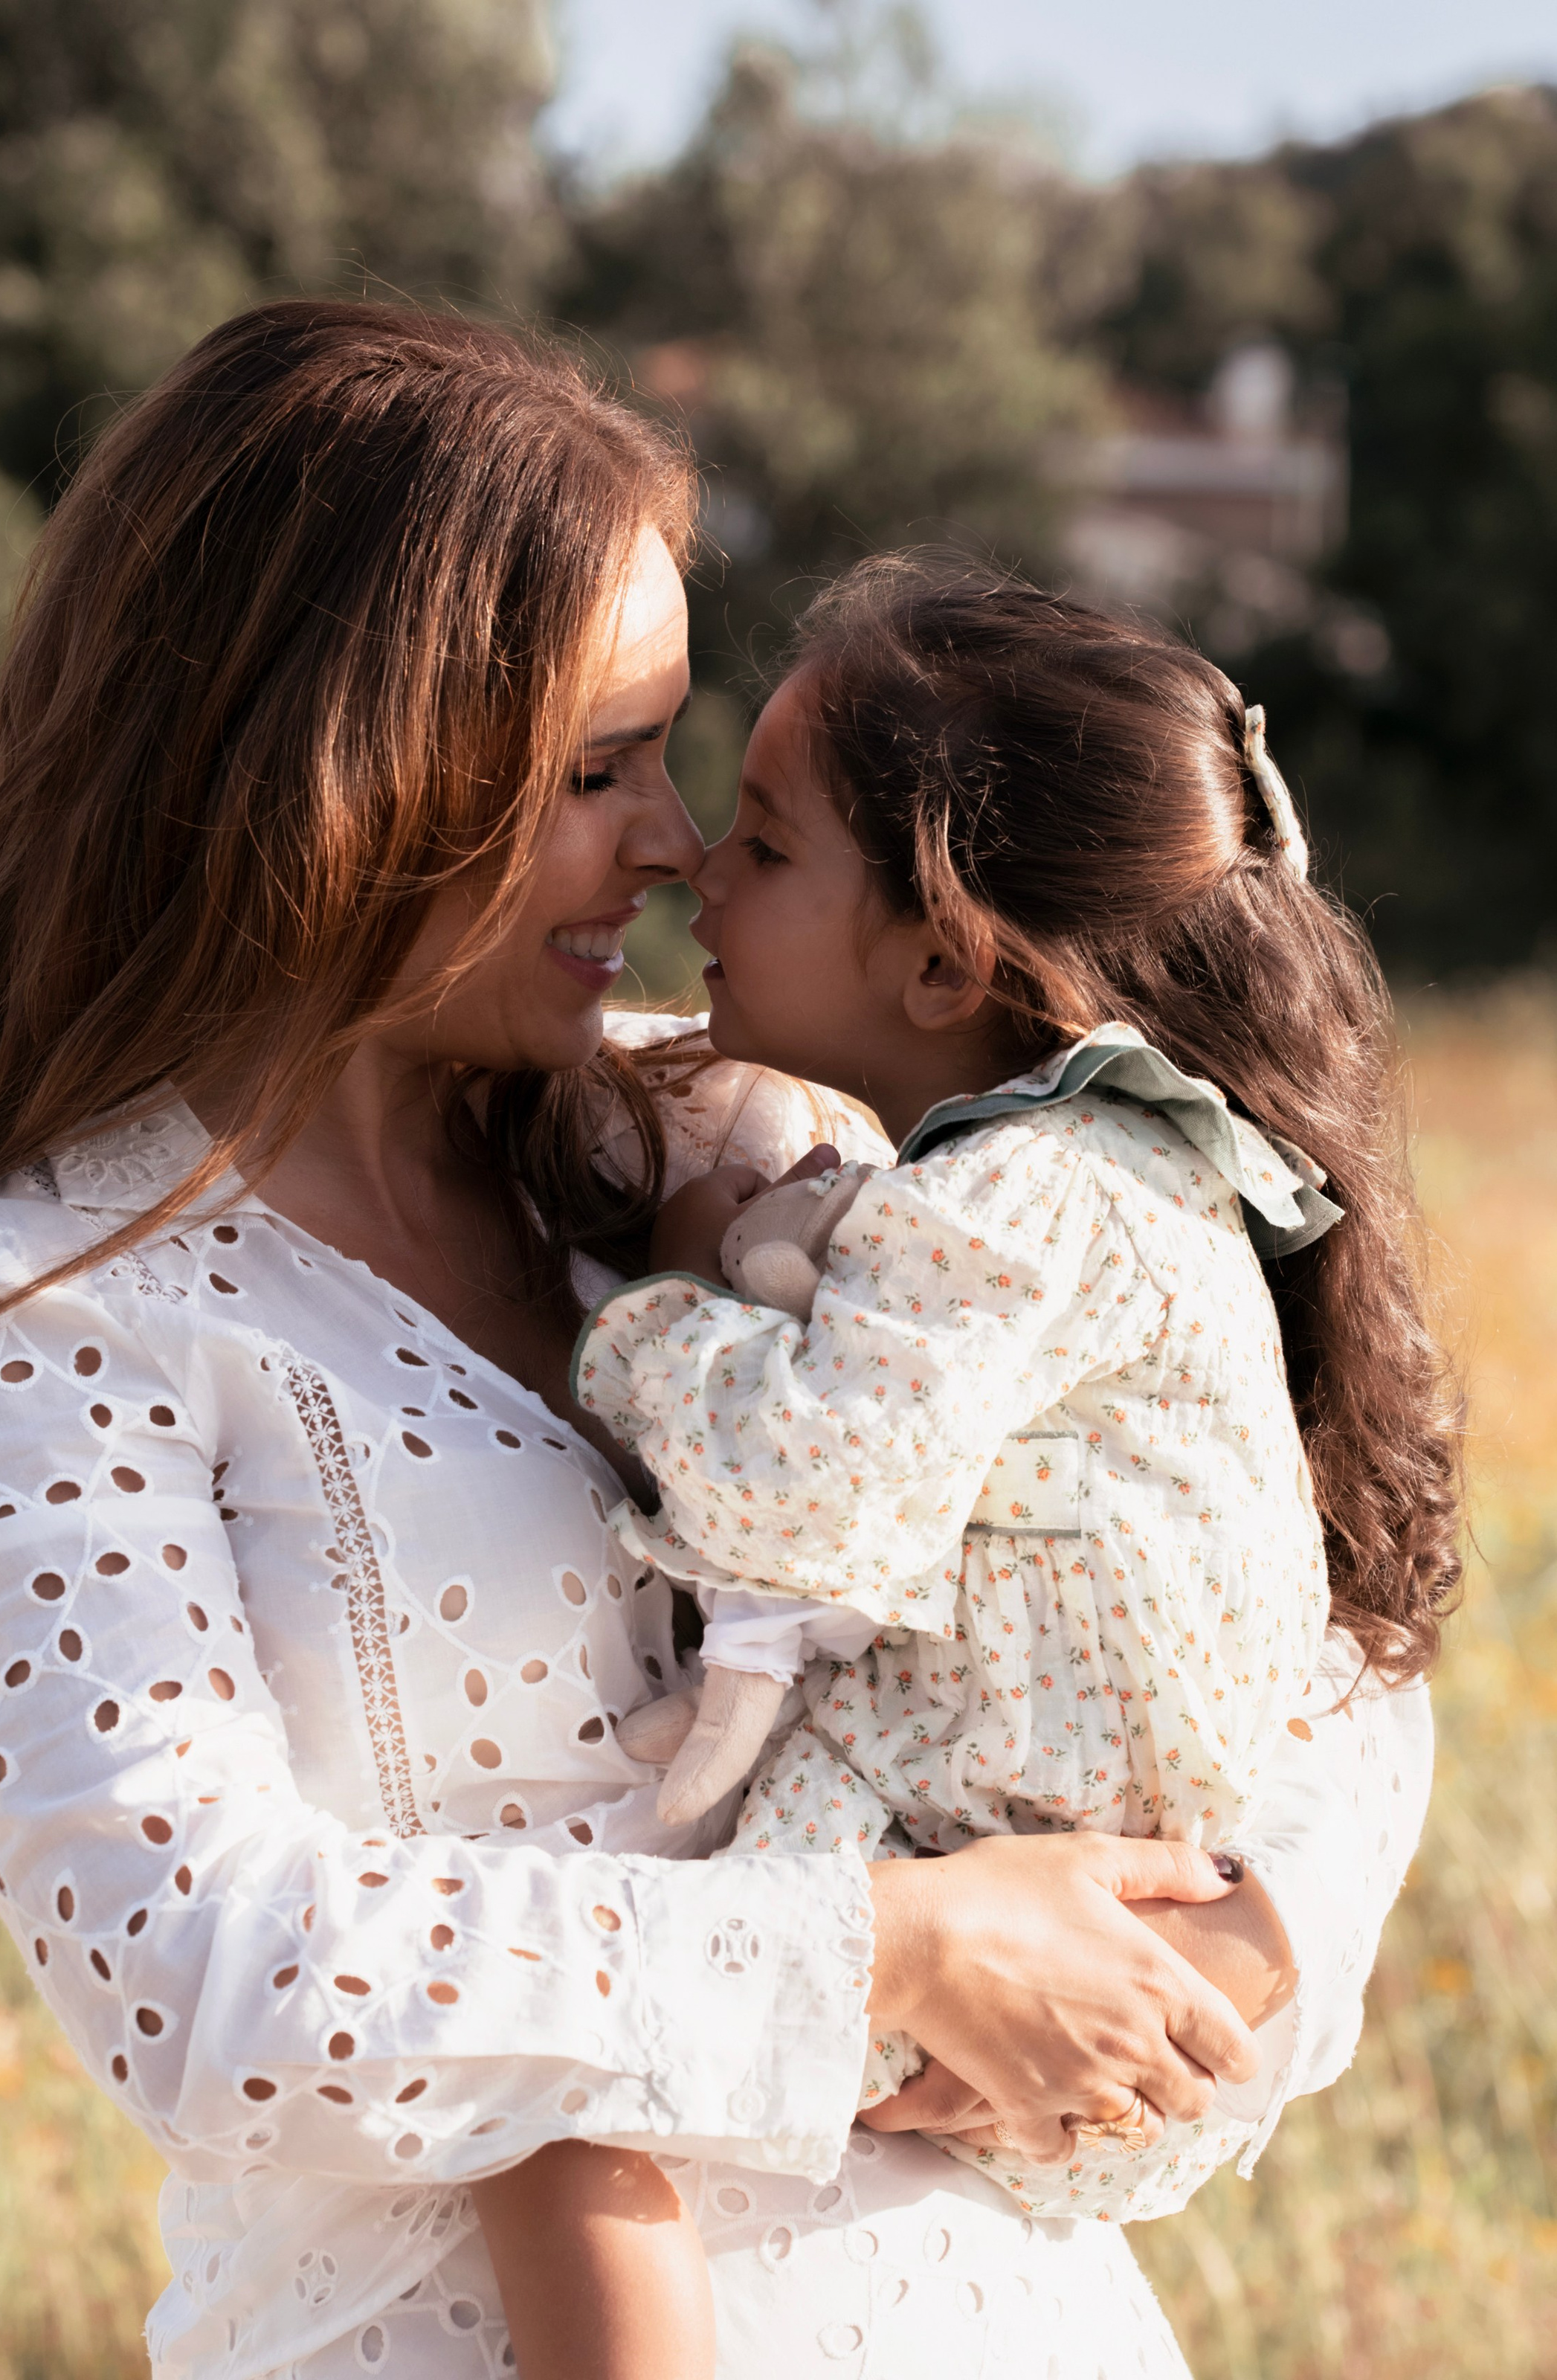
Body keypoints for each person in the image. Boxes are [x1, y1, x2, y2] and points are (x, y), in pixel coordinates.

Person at [0, 302, 1440, 2379]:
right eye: (595, 769)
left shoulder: (739, 1141)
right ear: (332, 772)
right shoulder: (22, 1308)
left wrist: (1222, 1941)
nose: (677, 843)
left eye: (673, 759)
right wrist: (894, 1951)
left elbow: (1274, 1605)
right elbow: (206, 1979)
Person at [490, 559, 1460, 2370]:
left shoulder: (1015, 1198)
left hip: (1014, 1902)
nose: (698, 866)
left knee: (560, 2073)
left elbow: (805, 1492)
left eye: (766, 844)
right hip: (1064, 1954)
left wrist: (662, 1306)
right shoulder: (1115, 1172)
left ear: (941, 960)